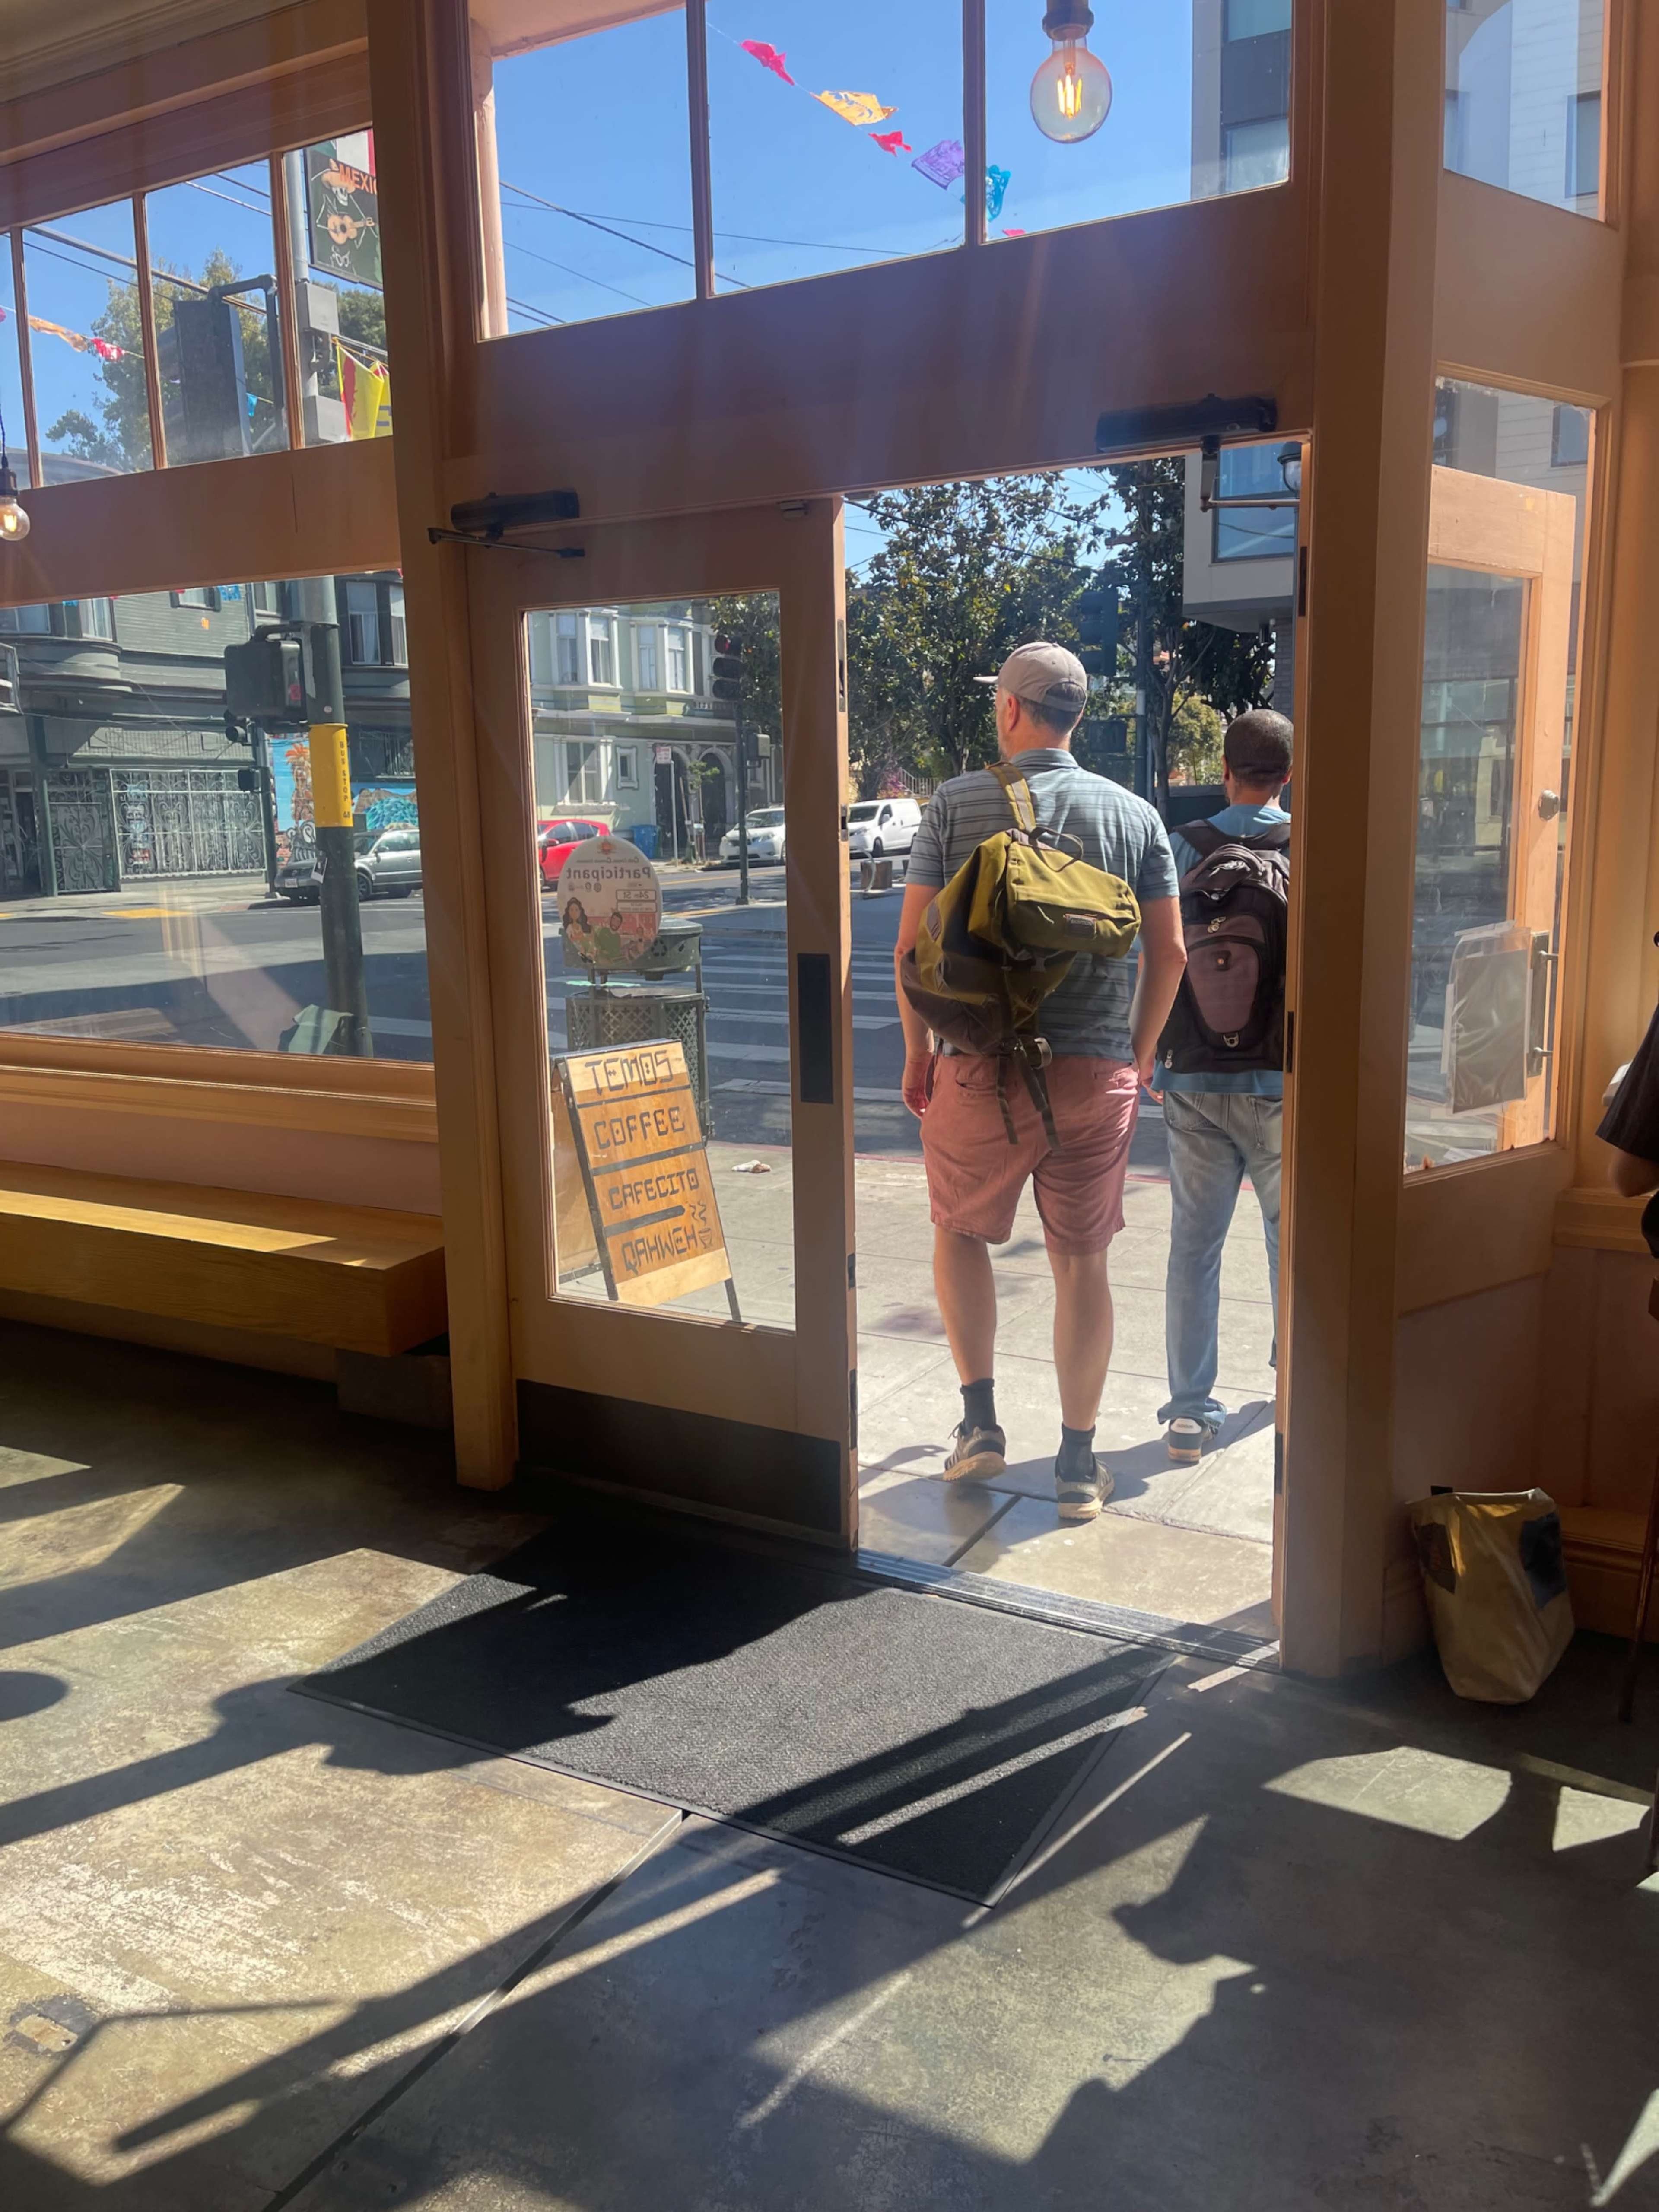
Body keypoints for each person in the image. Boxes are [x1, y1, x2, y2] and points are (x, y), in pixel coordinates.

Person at [895, 642, 1187, 1522]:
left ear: (1012, 711)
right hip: (1095, 1075)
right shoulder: (1136, 817)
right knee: (1081, 1261)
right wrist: (1136, 1059)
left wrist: (919, 1054)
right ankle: (1076, 1464)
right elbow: (1168, 953)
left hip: (977, 1067)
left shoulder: (953, 803)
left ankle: (980, 1424)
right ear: (1078, 717)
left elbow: (910, 951)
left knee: (959, 1231)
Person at [1155, 709, 1294, 1465]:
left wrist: (1153, 1059)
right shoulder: (1307, 844)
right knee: (1288, 1245)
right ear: (1289, 773)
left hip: (1193, 1077)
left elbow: (1159, 956)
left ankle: (1187, 1414)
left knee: (1194, 1248)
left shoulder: (1184, 846)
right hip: (1280, 1080)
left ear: (1225, 766)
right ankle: (1294, 1386)